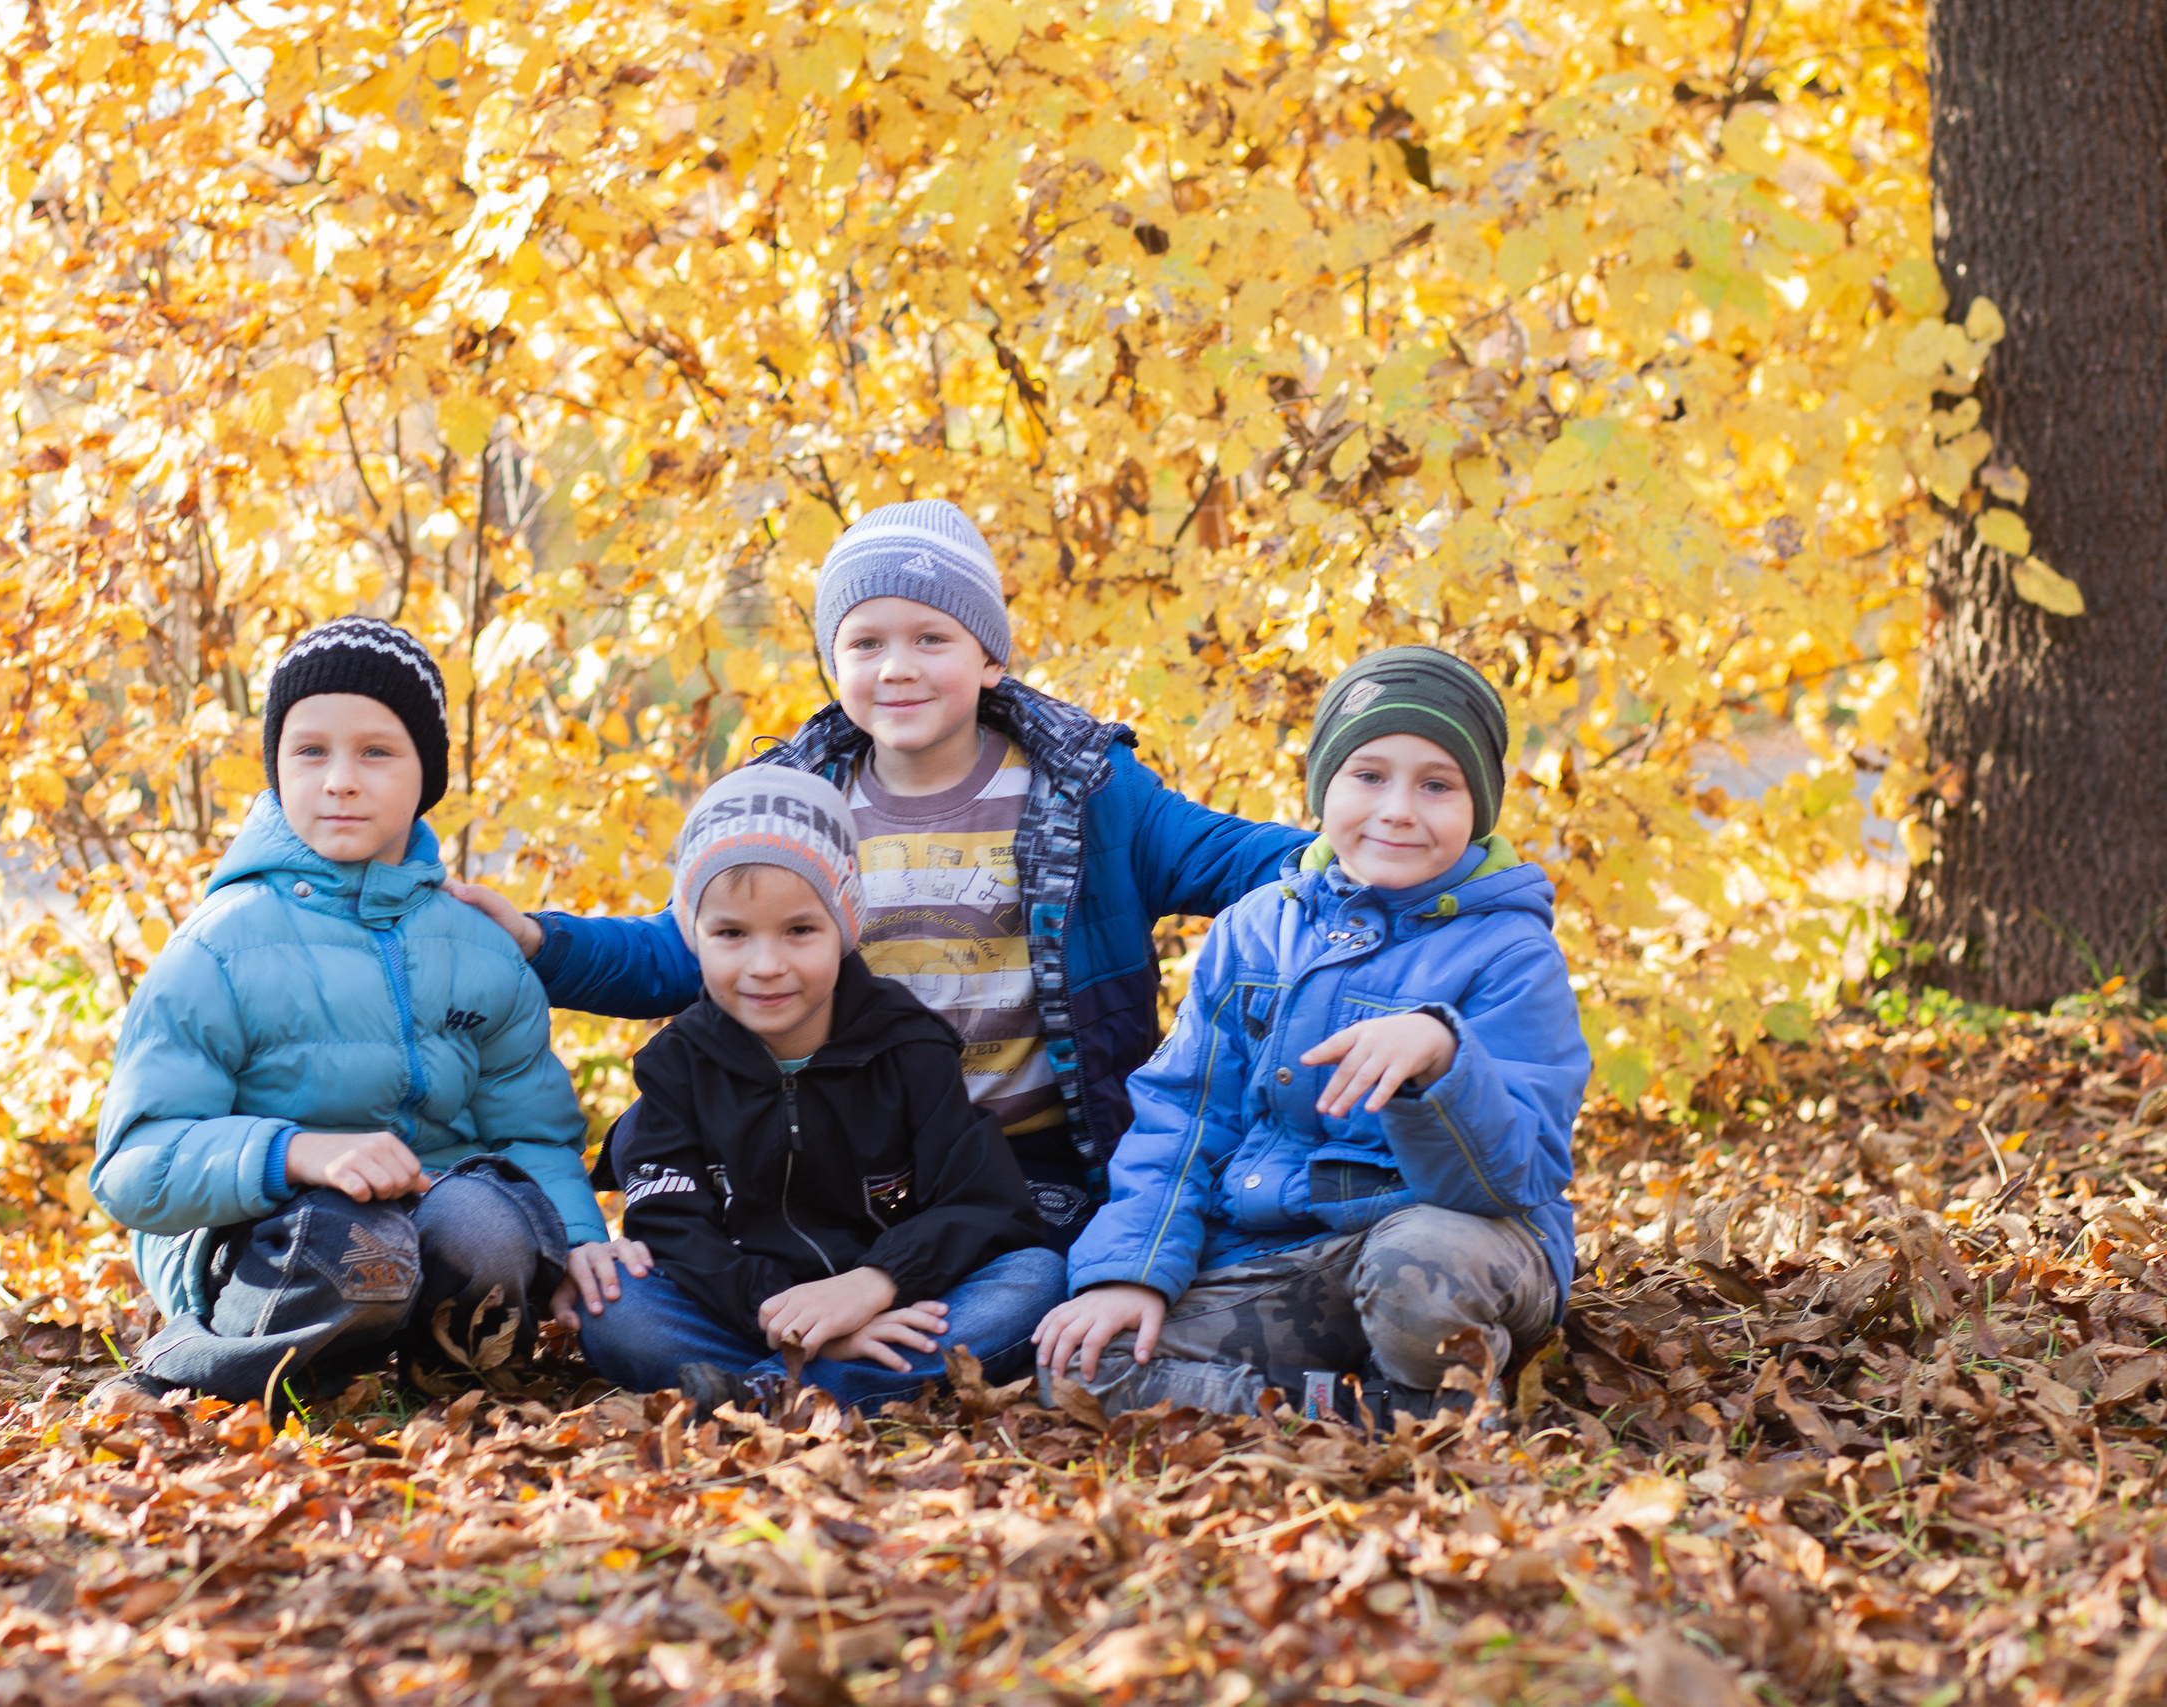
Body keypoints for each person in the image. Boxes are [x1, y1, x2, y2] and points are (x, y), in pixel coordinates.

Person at [454, 500, 1314, 1243]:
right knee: (673, 1305)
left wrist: (1379, 851)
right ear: (836, 666)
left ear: (989, 658)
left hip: (1030, 1156)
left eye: (931, 637)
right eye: (865, 642)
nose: (897, 666)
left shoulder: (1090, 794)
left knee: (1026, 1285)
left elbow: (1260, 862)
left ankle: (905, 1328)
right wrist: (539, 942)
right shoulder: (798, 801)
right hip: (840, 1155)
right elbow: (682, 950)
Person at [86, 617, 647, 1408]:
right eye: (311, 751)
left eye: (376, 751)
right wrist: (295, 1152)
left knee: (489, 1224)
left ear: (428, 774)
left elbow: (531, 1130)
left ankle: (441, 1378)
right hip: (265, 1232)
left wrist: (580, 1237)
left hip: (429, 1213)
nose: (341, 780)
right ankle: (203, 1368)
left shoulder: (480, 949)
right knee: (354, 1242)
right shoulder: (220, 947)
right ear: (277, 768)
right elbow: (133, 1166)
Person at [1034, 646, 1588, 1426]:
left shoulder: (1510, 952)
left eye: (1437, 784)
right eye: (1369, 775)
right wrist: (1131, 1270)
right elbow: (1186, 1117)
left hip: (1461, 1248)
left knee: (1416, 1264)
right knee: (1085, 1366)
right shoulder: (1254, 929)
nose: (1398, 809)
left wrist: (1442, 1059)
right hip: (1284, 1258)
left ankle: (1435, 1390)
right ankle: (1363, 1414)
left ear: (1480, 805)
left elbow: (1512, 1178)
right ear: (1323, 786)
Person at [574, 766, 1065, 1415]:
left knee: (1034, 1277)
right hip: (745, 1309)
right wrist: (792, 1322)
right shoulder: (676, 1065)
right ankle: (813, 1378)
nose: (766, 965)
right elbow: (674, 1228)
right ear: (693, 934)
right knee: (617, 1305)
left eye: (800, 930)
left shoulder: (909, 1045)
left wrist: (874, 1284)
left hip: (892, 1301)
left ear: (845, 925)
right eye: (731, 934)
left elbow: (984, 1201)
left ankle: (764, 1392)